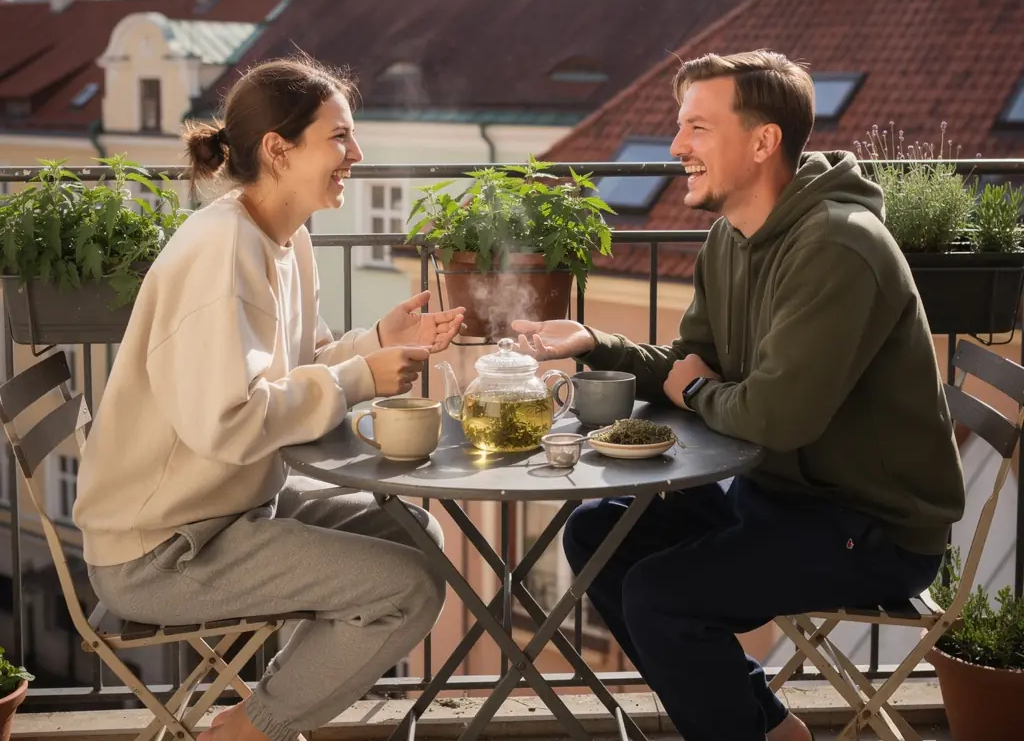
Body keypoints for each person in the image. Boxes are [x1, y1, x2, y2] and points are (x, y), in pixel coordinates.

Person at [513, 50, 965, 741]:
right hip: (780, 495)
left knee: (659, 596)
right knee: (596, 535)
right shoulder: (731, 237)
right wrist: (593, 345)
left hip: (872, 526)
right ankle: (764, 726)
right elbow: (693, 363)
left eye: (697, 127)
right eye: (679, 125)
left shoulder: (839, 248)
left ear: (762, 142)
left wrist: (695, 388)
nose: (676, 146)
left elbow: (775, 416)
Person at [75, 56, 464, 741]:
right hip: (164, 547)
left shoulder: (283, 239)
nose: (357, 154)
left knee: (414, 535)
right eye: (339, 137)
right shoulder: (222, 253)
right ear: (278, 151)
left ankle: (271, 708)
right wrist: (361, 378)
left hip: (228, 510)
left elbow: (299, 366)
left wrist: (374, 339)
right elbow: (229, 424)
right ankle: (249, 731)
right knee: (405, 589)